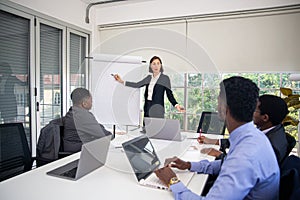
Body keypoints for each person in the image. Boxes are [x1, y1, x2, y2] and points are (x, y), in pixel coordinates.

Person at [155, 76, 280, 200]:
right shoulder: (253, 136)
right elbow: (225, 164)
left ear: (224, 107)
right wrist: (189, 165)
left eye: (218, 100)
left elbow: (236, 164)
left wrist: (173, 181)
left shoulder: (245, 155)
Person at [200, 94, 290, 164]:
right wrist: (214, 141)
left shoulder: (271, 147)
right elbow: (242, 140)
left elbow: (244, 169)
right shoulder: (269, 128)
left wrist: (219, 155)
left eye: (254, 110)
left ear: (265, 118)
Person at [114, 56, 184, 132]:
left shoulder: (165, 78)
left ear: (161, 65)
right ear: (151, 66)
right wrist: (121, 81)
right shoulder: (148, 78)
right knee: (146, 133)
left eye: (158, 63)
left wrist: (176, 105)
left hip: (158, 110)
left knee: (157, 133)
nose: (156, 66)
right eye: (154, 64)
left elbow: (169, 94)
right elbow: (137, 84)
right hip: (147, 109)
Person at [63, 88, 113, 153]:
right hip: (78, 153)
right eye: (91, 100)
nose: (92, 103)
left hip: (74, 149)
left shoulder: (72, 113)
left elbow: (97, 129)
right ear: (84, 104)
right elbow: (106, 136)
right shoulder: (82, 115)